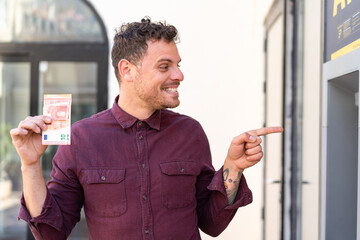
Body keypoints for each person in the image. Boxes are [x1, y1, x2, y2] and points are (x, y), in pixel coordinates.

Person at [10, 17, 283, 240]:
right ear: (127, 70)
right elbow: (49, 232)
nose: (179, 75)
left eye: (178, 65)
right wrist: (30, 164)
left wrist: (232, 168)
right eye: (165, 66)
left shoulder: (191, 133)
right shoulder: (82, 138)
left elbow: (211, 223)